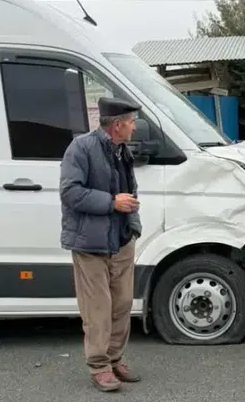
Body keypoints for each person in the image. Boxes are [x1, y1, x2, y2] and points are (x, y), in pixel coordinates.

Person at [59, 97, 143, 392]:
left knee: (121, 305)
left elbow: (125, 189)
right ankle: (99, 366)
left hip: (120, 240)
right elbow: (70, 193)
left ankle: (115, 358)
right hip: (91, 244)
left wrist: (131, 218)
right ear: (117, 125)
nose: (135, 127)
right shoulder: (81, 148)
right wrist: (111, 202)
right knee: (98, 309)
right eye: (131, 122)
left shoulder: (122, 151)